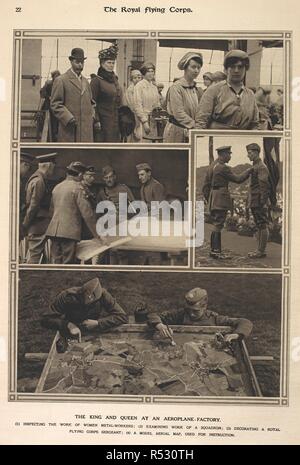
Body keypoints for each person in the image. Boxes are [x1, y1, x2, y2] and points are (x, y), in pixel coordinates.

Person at [46, 162, 104, 264]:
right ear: (80, 175)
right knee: (68, 264)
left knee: (56, 263)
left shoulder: (57, 187)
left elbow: (51, 211)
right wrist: (97, 235)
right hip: (69, 233)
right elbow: (87, 214)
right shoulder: (77, 188)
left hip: (53, 232)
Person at [147, 287, 253, 342]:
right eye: (189, 310)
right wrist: (160, 325)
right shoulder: (181, 314)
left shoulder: (214, 318)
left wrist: (236, 335)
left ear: (204, 306)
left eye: (196, 311)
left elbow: (245, 322)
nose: (192, 314)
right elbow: (153, 315)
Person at [202, 146, 252, 259]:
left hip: (213, 197)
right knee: (218, 224)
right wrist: (248, 171)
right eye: (229, 154)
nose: (230, 156)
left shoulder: (212, 166)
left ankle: (214, 251)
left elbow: (205, 186)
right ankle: (216, 252)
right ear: (223, 155)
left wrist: (209, 198)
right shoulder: (223, 168)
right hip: (220, 198)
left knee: (216, 224)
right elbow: (238, 179)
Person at [42, 277, 128, 342]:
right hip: (70, 332)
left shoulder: (103, 295)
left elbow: (122, 316)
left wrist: (98, 323)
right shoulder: (66, 296)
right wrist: (68, 325)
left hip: (94, 330)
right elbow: (46, 319)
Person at [195, 49, 259, 129]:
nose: (236, 70)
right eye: (232, 67)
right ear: (226, 69)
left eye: (240, 67)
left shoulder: (250, 95)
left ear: (246, 69)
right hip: (216, 139)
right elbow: (201, 121)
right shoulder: (213, 91)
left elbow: (255, 124)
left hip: (243, 140)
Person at [51, 48, 94, 142]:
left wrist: (92, 116)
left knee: (85, 155)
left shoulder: (86, 82)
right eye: (77, 62)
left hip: (86, 131)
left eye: (82, 62)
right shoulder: (61, 80)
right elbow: (55, 104)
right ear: (71, 61)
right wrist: (68, 118)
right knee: (70, 155)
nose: (80, 65)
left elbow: (91, 102)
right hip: (69, 129)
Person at [22, 153, 57, 263]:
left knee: (37, 255)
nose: (53, 171)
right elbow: (33, 206)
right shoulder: (39, 181)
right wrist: (25, 224)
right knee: (34, 257)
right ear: (48, 166)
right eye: (53, 168)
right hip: (38, 224)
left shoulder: (38, 179)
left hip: (39, 224)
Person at [163, 52, 203, 143]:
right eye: (193, 67)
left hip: (191, 130)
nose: (196, 70)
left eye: (199, 67)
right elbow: (178, 113)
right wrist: (195, 126)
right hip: (176, 131)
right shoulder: (176, 87)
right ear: (185, 68)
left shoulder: (196, 89)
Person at [90, 43, 123, 142]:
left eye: (113, 63)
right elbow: (92, 103)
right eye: (109, 62)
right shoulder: (96, 81)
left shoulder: (114, 80)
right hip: (102, 123)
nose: (111, 65)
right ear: (102, 64)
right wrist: (96, 121)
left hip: (115, 122)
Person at [246, 143, 271, 258]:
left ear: (256, 152)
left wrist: (263, 202)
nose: (248, 155)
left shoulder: (261, 167)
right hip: (255, 200)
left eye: (250, 153)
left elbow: (264, 186)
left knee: (262, 225)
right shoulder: (255, 166)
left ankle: (261, 251)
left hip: (259, 201)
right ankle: (259, 250)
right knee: (260, 224)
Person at [133, 62, 161, 141]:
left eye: (152, 71)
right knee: (145, 141)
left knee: (154, 142)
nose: (151, 73)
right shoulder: (139, 86)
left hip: (154, 120)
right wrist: (144, 122)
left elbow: (157, 103)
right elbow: (137, 105)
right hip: (143, 120)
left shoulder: (154, 87)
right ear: (144, 73)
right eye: (148, 71)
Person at [39, 70, 61, 141]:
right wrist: (48, 96)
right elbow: (42, 93)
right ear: (53, 77)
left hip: (56, 107)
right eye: (56, 77)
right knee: (48, 123)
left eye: (58, 77)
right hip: (48, 107)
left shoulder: (60, 84)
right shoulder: (48, 84)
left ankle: (55, 137)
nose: (57, 78)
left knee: (56, 123)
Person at [19, 152, 35, 241]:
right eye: (28, 168)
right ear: (24, 164)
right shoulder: (15, 180)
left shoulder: (19, 179)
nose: (27, 172)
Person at [125, 69, 142, 141]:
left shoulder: (140, 88)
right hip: (133, 115)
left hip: (140, 114)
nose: (137, 79)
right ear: (131, 79)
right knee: (135, 135)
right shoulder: (131, 90)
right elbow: (132, 105)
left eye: (139, 77)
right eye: (135, 78)